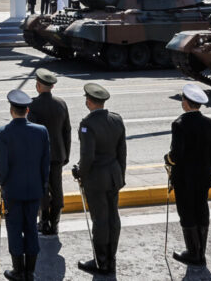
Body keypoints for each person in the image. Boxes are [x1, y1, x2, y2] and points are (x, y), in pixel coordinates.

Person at [0, 89, 50, 281]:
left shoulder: (3, 133)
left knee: (15, 229)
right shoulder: (41, 131)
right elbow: (45, 163)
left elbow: (3, 165)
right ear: (27, 110)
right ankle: (30, 271)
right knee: (32, 229)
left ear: (11, 110)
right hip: (34, 190)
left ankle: (18, 271)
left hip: (13, 191)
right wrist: (43, 185)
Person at [73, 83, 127, 276]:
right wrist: (121, 176)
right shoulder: (116, 119)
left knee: (100, 220)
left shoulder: (87, 124)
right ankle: (111, 258)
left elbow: (87, 157)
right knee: (113, 218)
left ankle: (101, 261)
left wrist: (79, 173)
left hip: (96, 179)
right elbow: (122, 152)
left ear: (89, 101)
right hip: (114, 176)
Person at [166, 83, 211, 268]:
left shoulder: (179, 124)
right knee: (201, 210)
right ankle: (201, 253)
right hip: (204, 176)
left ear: (186, 103)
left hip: (185, 178)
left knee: (187, 212)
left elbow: (176, 155)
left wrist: (167, 159)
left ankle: (192, 253)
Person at [28, 69, 71, 236]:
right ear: (52, 86)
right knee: (57, 189)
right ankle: (55, 223)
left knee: (43, 190)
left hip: (41, 156)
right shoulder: (61, 103)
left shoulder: (32, 106)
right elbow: (67, 131)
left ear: (38, 86)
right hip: (58, 154)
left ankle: (44, 221)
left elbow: (32, 134)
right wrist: (65, 154)